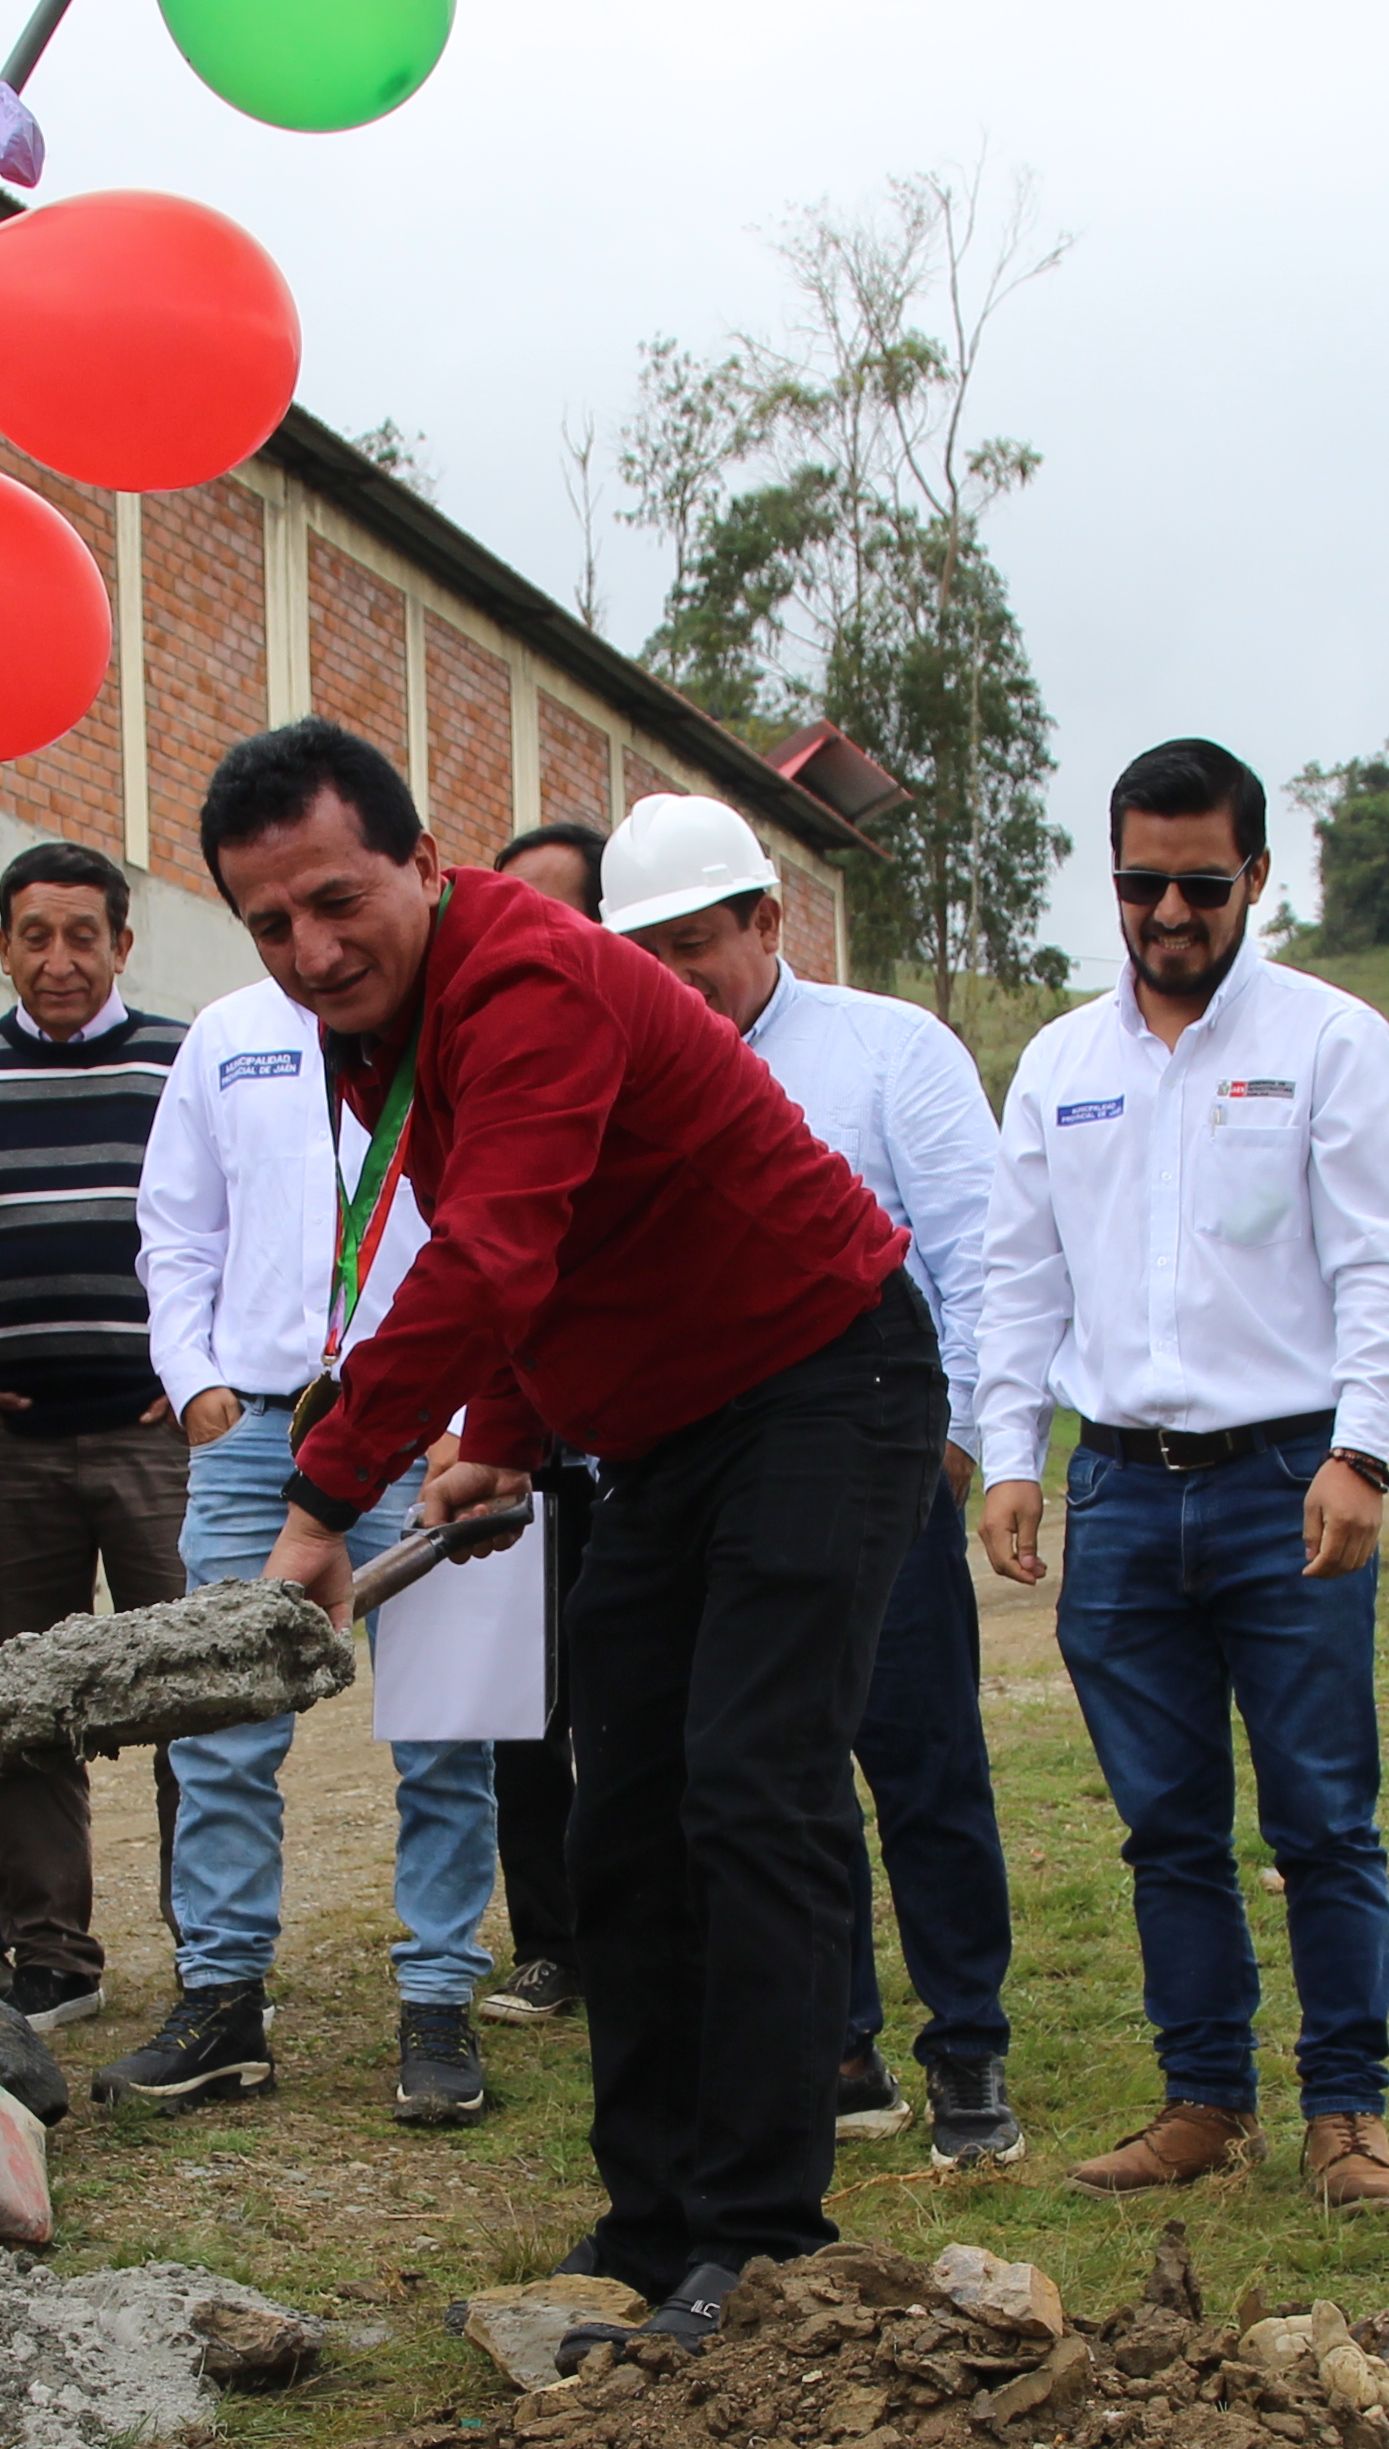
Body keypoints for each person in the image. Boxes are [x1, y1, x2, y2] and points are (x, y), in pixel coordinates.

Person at [214, 721, 941, 2337]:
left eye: (335, 901)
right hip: (667, 1431)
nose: (308, 949)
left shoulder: (521, 980)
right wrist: (505, 1436)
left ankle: (760, 2242)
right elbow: (569, 1230)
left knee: (750, 1790)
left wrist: (324, 1499)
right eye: (268, 925)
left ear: (420, 863)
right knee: (618, 1818)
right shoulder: (384, 1025)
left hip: (822, 1374)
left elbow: (487, 1251)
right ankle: (651, 2222)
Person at [974, 740, 1389, 2220]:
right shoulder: (1062, 1065)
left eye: (1202, 882)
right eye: (1143, 881)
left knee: (1320, 1818)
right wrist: (1007, 1461)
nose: (1170, 911)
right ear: (1112, 876)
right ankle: (1203, 2102)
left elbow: (1380, 1261)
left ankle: (1346, 2114)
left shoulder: (1331, 1040)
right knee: (1166, 1822)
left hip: (1286, 1479)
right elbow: (1016, 1279)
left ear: (1255, 877)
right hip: (1117, 1493)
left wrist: (1363, 1450)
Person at [600, 792, 1023, 2169]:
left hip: (874, 1466)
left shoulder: (889, 1053)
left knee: (921, 1760)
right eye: (640, 952)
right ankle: (833, 2041)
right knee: (772, 1778)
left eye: (693, 944)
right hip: (703, 1487)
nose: (670, 979)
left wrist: (956, 1449)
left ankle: (966, 2044)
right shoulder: (617, 1071)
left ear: (768, 921)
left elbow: (977, 1257)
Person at [125, 965, 501, 2126]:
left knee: (445, 1728)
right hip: (262, 1427)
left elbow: (506, 1231)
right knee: (224, 1728)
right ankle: (224, 1999)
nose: (313, 937)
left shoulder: (455, 1023)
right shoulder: (228, 1032)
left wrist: (480, 1419)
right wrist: (196, 1385)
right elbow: (177, 1229)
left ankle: (439, 2001)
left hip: (435, 1430)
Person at [0, 841, 191, 2023]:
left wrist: (208, 1370)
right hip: (12, 1452)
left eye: (83, 934)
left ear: (123, 944)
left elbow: (245, 1222)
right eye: (34, 935)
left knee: (199, 1695)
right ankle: (53, 1958)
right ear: (2, 948)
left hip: (159, 1440)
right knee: (23, 1710)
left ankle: (218, 1954)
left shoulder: (183, 1064)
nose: (60, 958)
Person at [475, 817, 611, 2022]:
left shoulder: (631, 1053)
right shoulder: (484, 1062)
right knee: (525, 1706)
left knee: (640, 1706)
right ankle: (554, 1941)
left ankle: (652, 1937)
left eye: (562, 915)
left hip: (649, 1450)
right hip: (527, 1444)